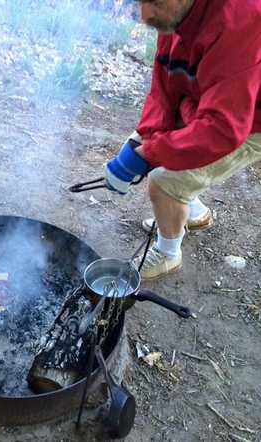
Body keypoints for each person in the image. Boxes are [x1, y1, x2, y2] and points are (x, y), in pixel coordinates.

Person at [104, 0, 261, 280]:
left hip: (250, 121)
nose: (145, 15)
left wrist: (150, 154)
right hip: (209, 99)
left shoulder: (242, 18)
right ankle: (193, 212)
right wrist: (144, 137)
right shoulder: (176, 13)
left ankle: (168, 254)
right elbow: (164, 89)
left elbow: (224, 128)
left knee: (165, 182)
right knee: (153, 143)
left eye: (154, 2)